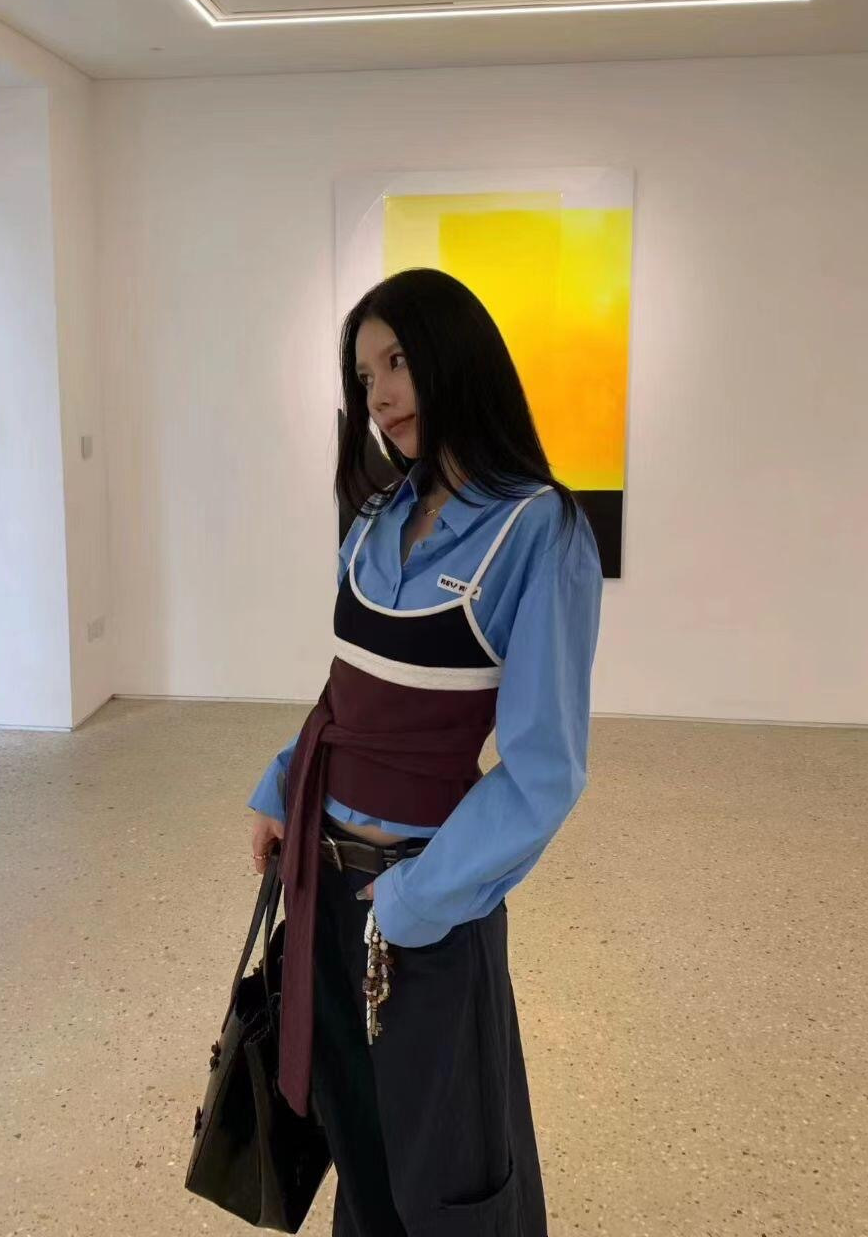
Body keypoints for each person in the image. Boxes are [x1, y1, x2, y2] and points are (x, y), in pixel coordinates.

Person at [247, 267, 603, 1236]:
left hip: (426, 906)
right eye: (365, 376)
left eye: (399, 361)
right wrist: (280, 786)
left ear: (457, 357)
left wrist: (414, 902)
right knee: (356, 1148)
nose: (381, 394)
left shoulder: (540, 530)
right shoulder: (373, 520)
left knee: (450, 1179)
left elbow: (544, 769)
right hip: (319, 884)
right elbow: (348, 695)